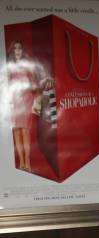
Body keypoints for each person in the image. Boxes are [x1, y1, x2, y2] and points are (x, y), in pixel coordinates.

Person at [6, 40, 53, 172]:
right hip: (13, 102)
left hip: (26, 100)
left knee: (25, 131)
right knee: (16, 131)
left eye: (19, 48)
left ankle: (27, 162)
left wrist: (43, 82)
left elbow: (36, 83)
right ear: (12, 51)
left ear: (22, 50)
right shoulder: (8, 67)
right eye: (15, 49)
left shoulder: (28, 66)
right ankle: (21, 161)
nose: (17, 51)